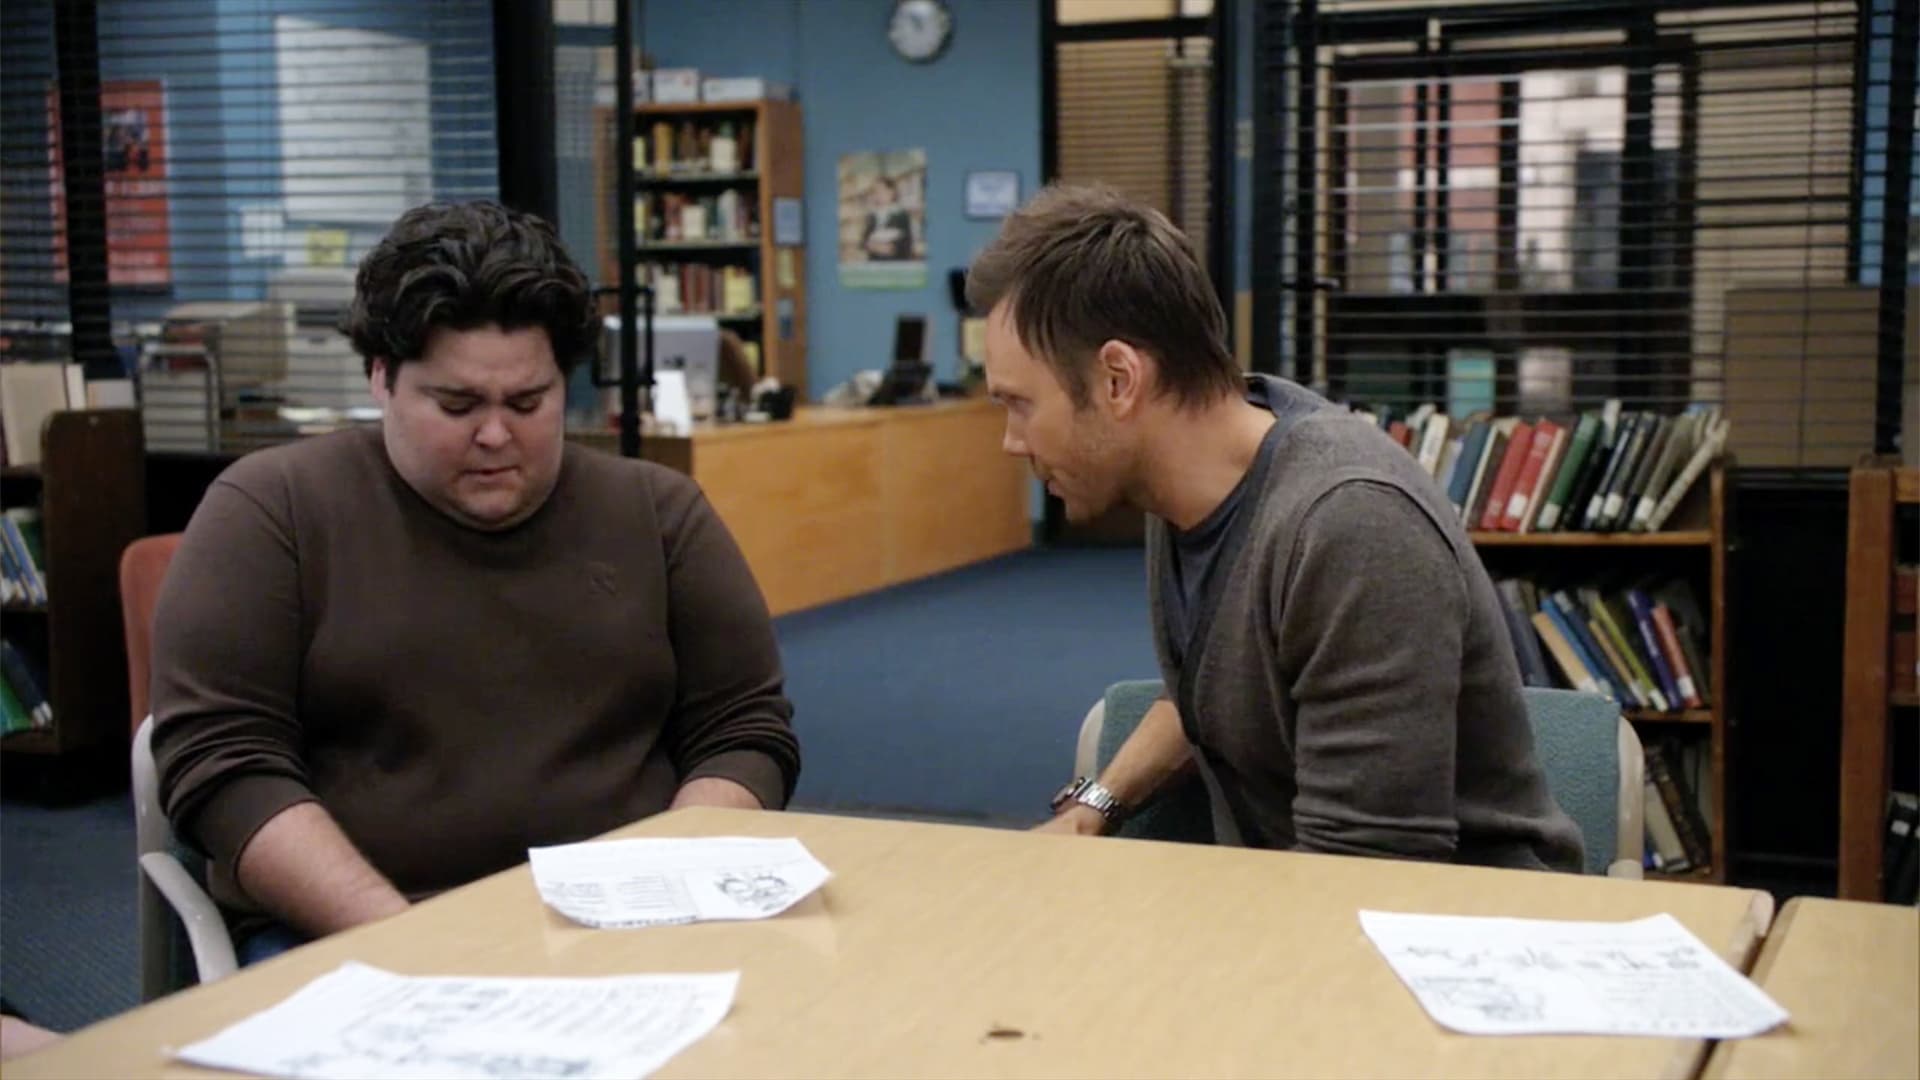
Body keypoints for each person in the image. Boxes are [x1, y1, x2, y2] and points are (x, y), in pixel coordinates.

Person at [151, 201, 801, 963]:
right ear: (381, 377)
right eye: (456, 405)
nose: (495, 435)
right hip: (353, 931)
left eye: (528, 403)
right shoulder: (272, 511)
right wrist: (413, 941)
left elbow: (743, 734)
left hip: (628, 928)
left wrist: (668, 890)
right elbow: (224, 765)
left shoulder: (659, 514)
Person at [969, 184, 1582, 871]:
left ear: (1118, 380)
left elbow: (1364, 868)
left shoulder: (1351, 525)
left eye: (1020, 404)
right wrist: (1094, 809)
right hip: (1305, 888)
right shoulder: (1188, 482)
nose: (1011, 441)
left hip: (1456, 916)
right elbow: (1218, 692)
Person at [861, 177, 913, 261]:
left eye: (882, 190)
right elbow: (864, 240)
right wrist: (871, 246)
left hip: (894, 263)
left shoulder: (900, 215)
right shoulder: (872, 215)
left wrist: (888, 248)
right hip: (874, 263)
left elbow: (906, 244)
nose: (878, 195)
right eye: (875, 191)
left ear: (892, 192)